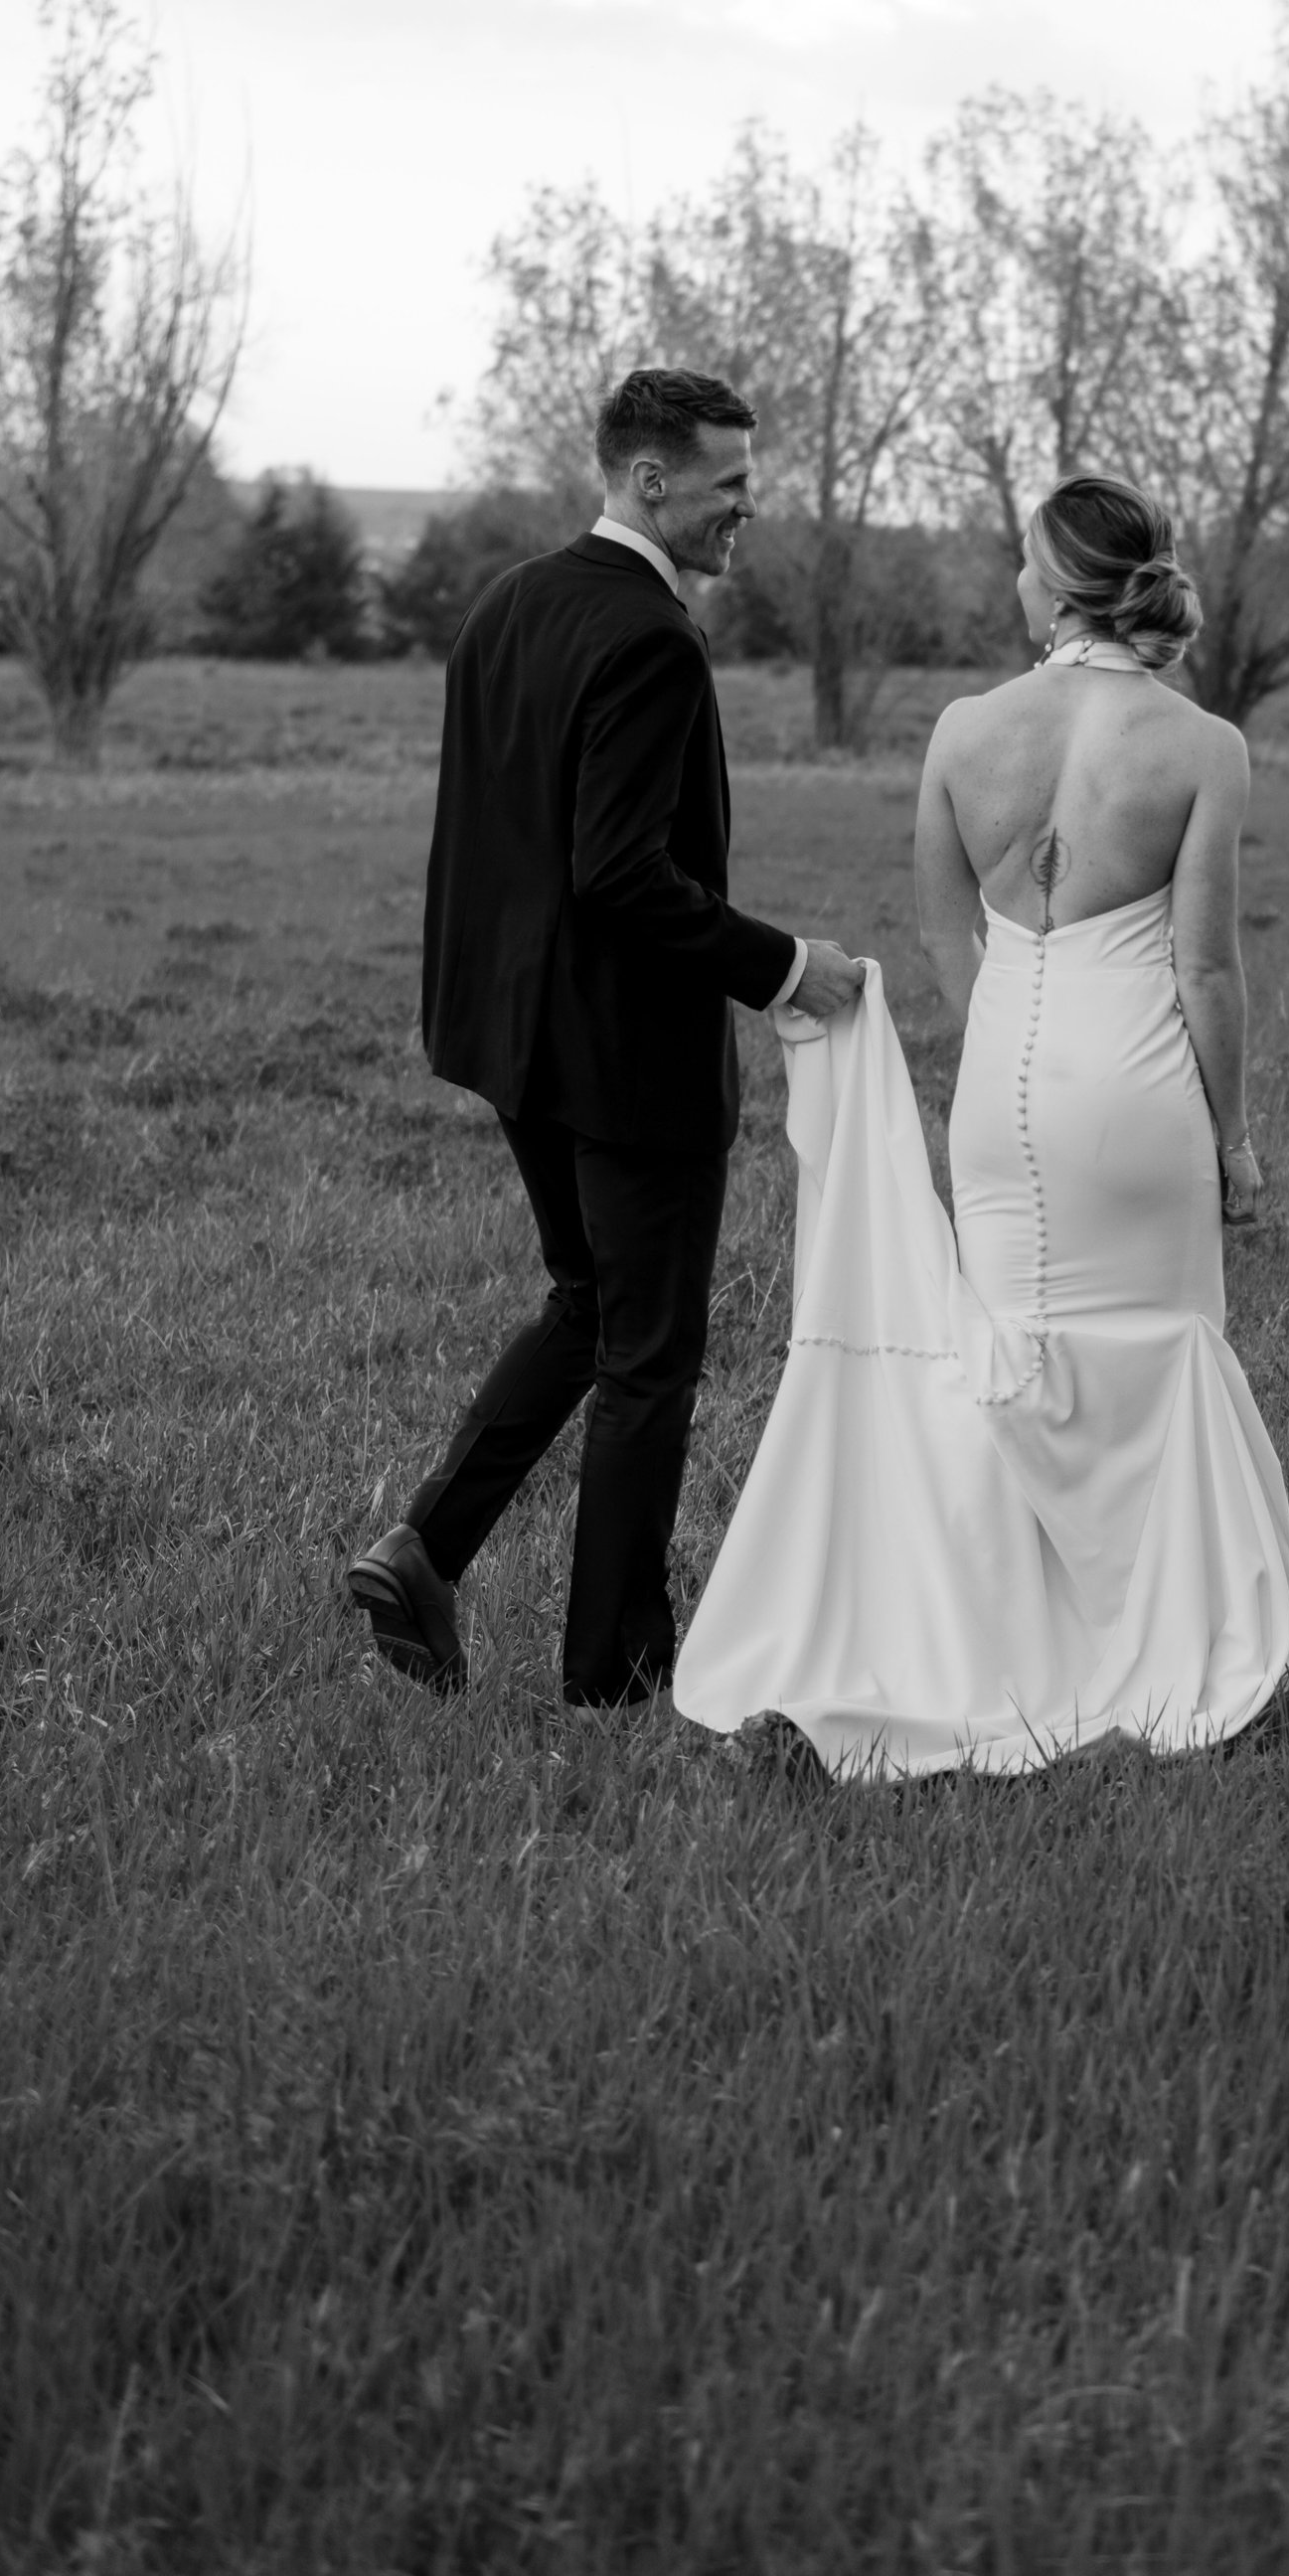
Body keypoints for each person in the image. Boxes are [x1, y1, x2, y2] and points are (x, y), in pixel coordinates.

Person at [671, 473, 1289, 1774]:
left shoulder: (965, 729)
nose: (1013, 579)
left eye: (1024, 558)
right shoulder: (1203, 747)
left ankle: (1000, 1631)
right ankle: (1153, 1626)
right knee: (1152, 1343)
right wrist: (1233, 1139)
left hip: (1002, 1082)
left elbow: (939, 926)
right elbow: (1204, 970)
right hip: (1134, 1090)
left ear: (1059, 579)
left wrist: (1002, 1030)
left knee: (1006, 1351)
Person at [346, 367, 864, 1706]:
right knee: (649, 1355)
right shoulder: (649, 639)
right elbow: (621, 875)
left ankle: (423, 1546)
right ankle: (616, 1681)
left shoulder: (509, 604)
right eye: (730, 481)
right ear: (649, 477)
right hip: (625, 1062)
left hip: (513, 1038)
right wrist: (789, 966)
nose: (749, 505)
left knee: (588, 1302)